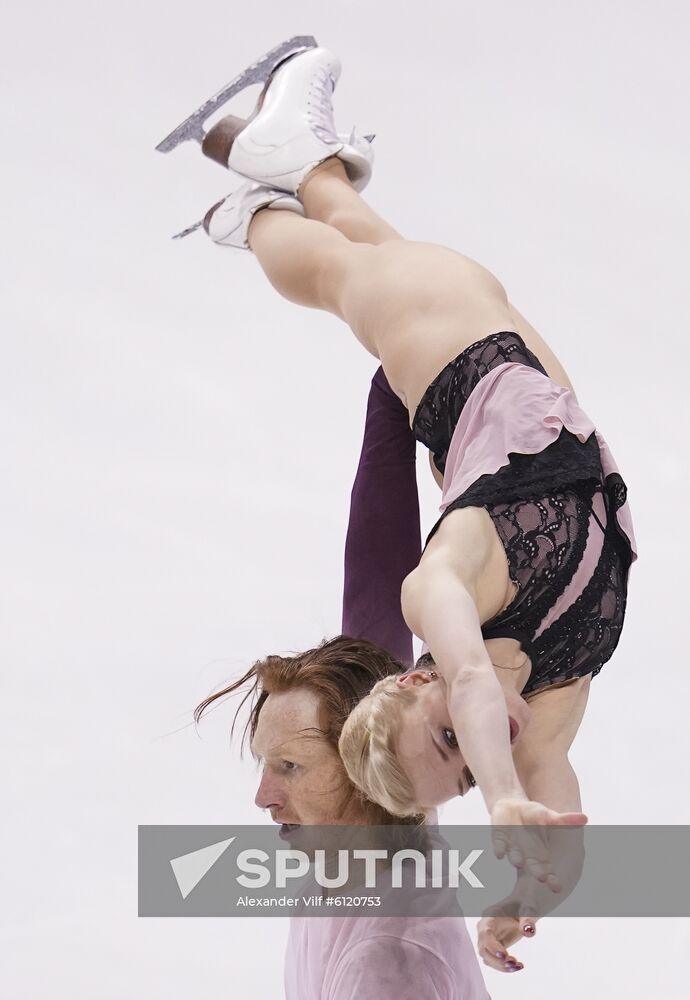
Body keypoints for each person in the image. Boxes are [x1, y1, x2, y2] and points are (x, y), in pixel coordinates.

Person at [195, 46, 636, 879]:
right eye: (464, 767)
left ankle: (258, 202)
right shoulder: (547, 701)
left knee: (347, 277)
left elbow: (469, 679)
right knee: (415, 260)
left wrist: (499, 799)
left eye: (449, 738)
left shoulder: (437, 600)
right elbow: (554, 788)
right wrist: (529, 893)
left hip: (459, 372)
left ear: (406, 683)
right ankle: (305, 173)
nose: (482, 748)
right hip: (547, 410)